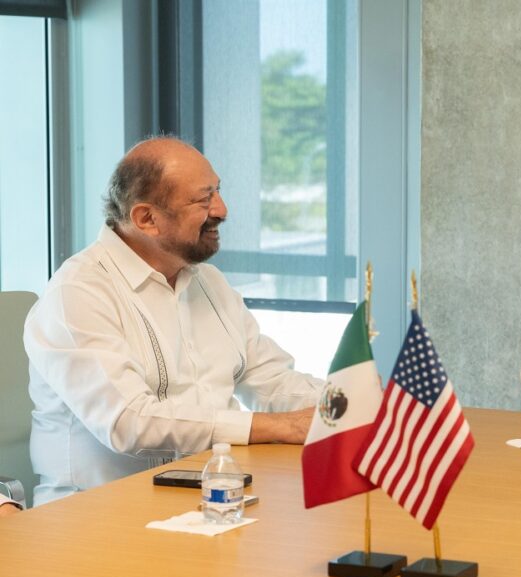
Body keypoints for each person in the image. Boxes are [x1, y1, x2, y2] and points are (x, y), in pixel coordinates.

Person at [24, 137, 325, 505]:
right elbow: (128, 422)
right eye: (203, 199)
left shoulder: (208, 282)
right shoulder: (78, 293)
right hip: (98, 516)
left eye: (218, 191)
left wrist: (344, 403)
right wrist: (276, 426)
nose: (222, 209)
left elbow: (271, 381)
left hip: (212, 501)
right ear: (146, 218)